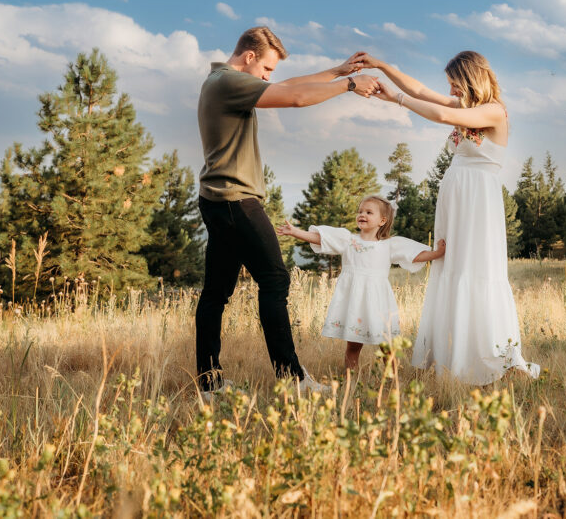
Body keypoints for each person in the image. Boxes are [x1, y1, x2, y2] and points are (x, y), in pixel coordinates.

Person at [195, 26, 379, 398]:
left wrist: (339, 71)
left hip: (217, 200)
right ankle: (292, 380)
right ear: (249, 56)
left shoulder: (220, 80)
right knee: (275, 281)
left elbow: (291, 84)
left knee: (215, 294)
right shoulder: (228, 83)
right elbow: (292, 97)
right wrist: (349, 87)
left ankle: (209, 383)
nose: (267, 77)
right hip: (236, 201)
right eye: (266, 68)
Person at [361, 51, 540, 385]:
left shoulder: (494, 111)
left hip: (478, 199)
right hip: (456, 194)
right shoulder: (465, 109)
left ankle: (489, 353)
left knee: (477, 267)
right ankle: (451, 354)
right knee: (452, 265)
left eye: (455, 84)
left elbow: (440, 114)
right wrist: (383, 67)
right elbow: (422, 93)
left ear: (471, 78)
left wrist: (397, 99)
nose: (453, 91)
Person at [277, 195, 445, 371]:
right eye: (360, 211)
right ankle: (351, 379)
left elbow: (414, 255)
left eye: (368, 212)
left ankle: (392, 379)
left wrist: (436, 254)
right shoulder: (348, 241)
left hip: (378, 302)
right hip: (355, 302)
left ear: (382, 220)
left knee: (387, 345)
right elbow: (321, 238)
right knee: (353, 346)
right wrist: (295, 232)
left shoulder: (389, 245)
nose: (362, 215)